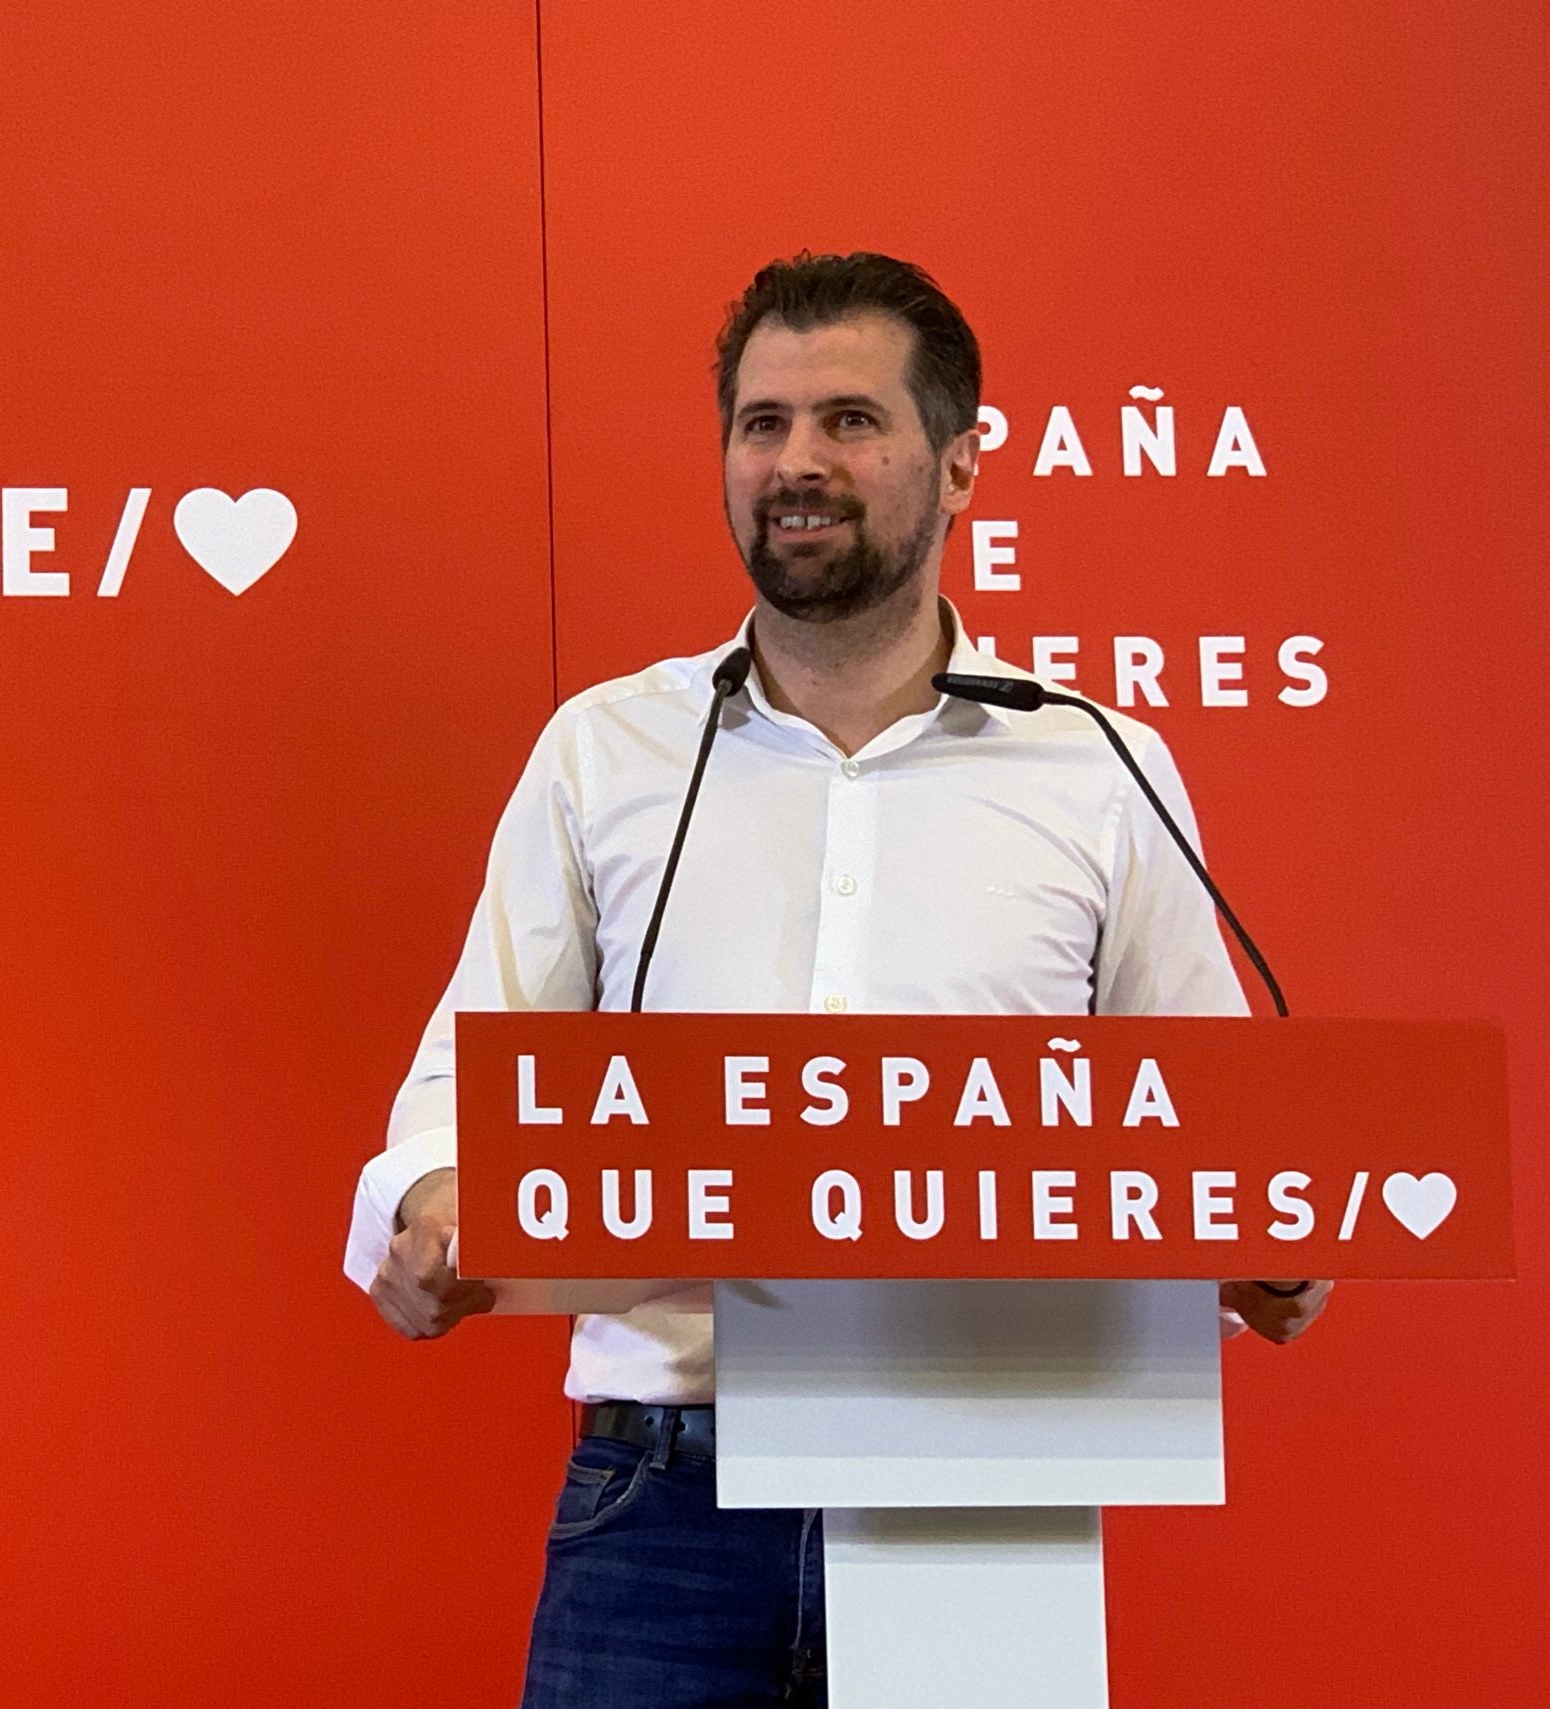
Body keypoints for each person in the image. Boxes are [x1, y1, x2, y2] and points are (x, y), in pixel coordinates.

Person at [342, 250, 1332, 1707]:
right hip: (667, 1490)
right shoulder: (606, 751)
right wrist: (429, 1204)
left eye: (852, 421)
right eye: (762, 423)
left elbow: (1214, 1129)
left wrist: (1271, 1240)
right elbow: (453, 1100)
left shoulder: (1102, 765)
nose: (797, 463)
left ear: (960, 466)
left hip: (984, 1483)